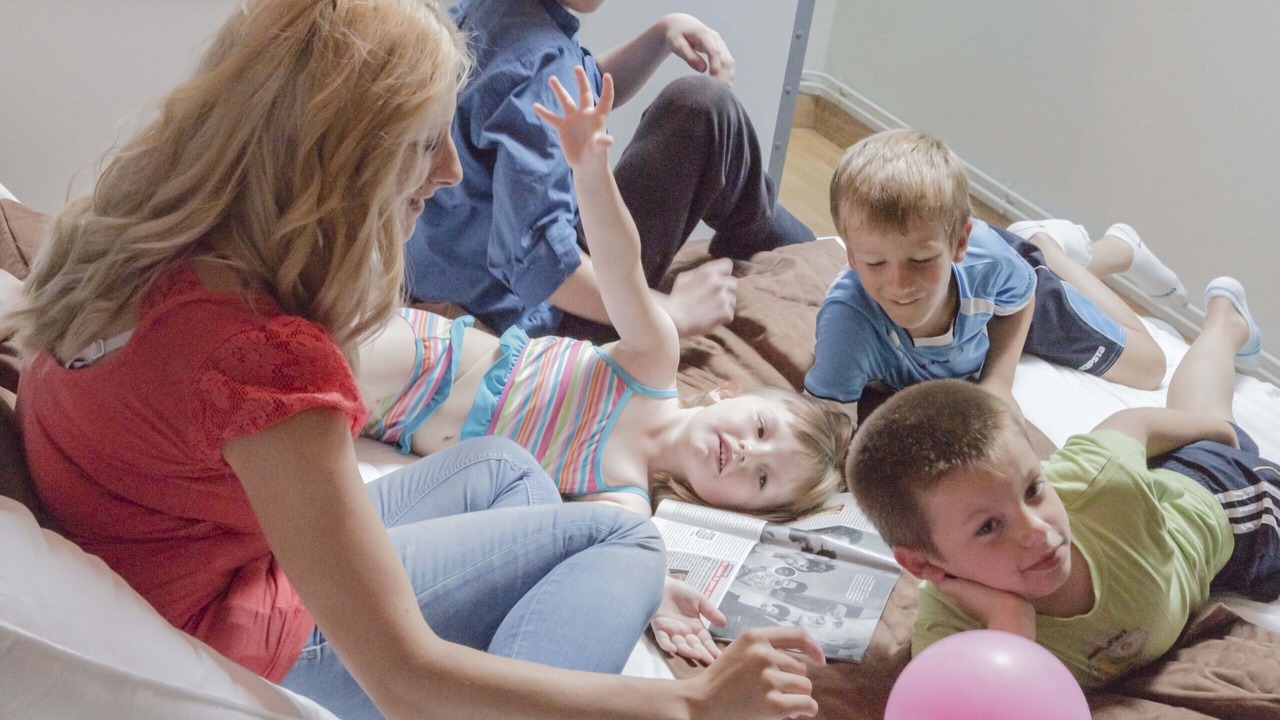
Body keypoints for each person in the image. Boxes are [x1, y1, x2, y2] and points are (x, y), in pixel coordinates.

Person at [9, 2, 825, 719]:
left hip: (217, 548)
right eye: (430, 142)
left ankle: (533, 660)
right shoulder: (263, 359)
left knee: (508, 470)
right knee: (630, 548)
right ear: (345, 159)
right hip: (243, 625)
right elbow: (407, 679)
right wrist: (688, 704)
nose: (452, 172)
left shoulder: (138, 239)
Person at [359, 69, 852, 523]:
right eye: (761, 431)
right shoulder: (653, 358)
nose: (748, 454)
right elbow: (620, 268)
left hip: (397, 429)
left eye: (762, 480)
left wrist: (661, 592)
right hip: (432, 361)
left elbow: (598, 548)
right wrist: (590, 169)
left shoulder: (625, 498)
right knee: (313, 359)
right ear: (728, 393)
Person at [845, 277, 1274, 688]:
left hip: (1228, 504)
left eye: (1033, 490)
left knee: (1216, 424)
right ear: (924, 564)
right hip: (1154, 520)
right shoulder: (951, 635)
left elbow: (1129, 426)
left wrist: (1214, 431)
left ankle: (1224, 329)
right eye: (989, 527)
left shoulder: (1099, 484)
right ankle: (1227, 323)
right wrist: (1010, 625)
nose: (1038, 530)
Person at [404, 0, 814, 344]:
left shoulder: (490, 13)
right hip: (540, 325)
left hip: (451, 281)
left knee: (703, 114)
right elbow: (540, 266)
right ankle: (782, 242)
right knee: (702, 108)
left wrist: (660, 35)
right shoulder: (538, 65)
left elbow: (575, 91)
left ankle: (772, 230)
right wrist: (670, 311)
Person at [805, 129, 1179, 421]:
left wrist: (998, 381)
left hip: (1008, 287)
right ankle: (1044, 251)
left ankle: (1070, 248)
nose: (899, 283)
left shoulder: (989, 265)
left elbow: (1021, 301)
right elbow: (826, 429)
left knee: (1150, 366)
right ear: (851, 254)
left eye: (921, 260)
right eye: (875, 263)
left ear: (959, 242)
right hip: (987, 290)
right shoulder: (847, 325)